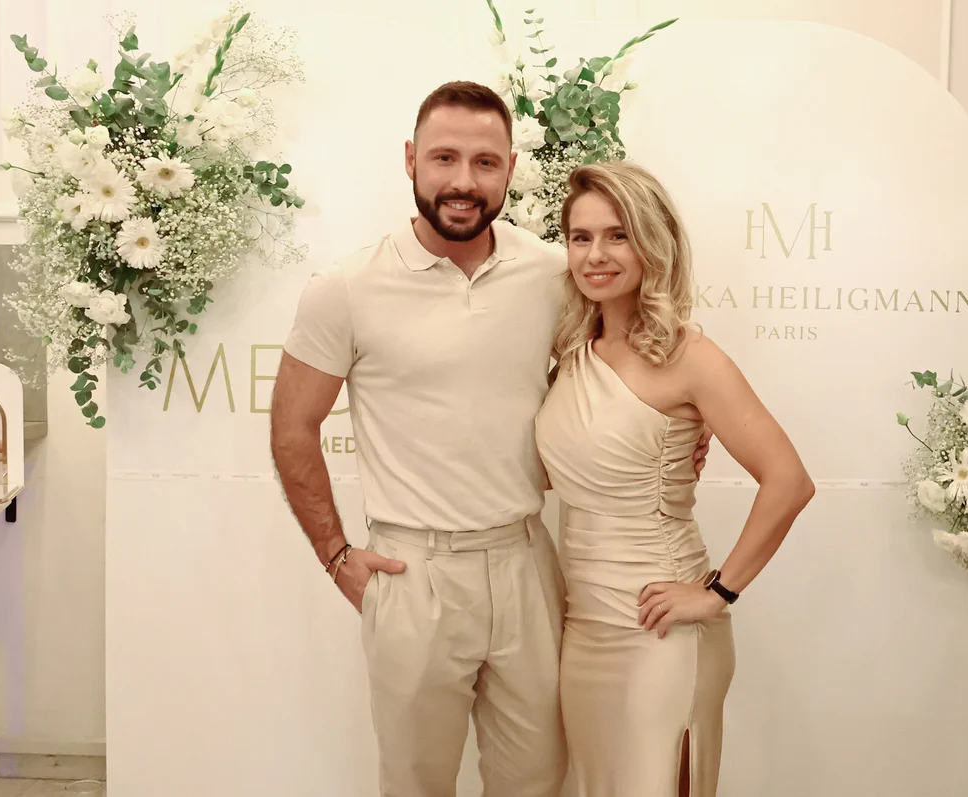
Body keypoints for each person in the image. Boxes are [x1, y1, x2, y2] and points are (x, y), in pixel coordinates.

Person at [271, 81, 708, 797]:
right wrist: (335, 554)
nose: (463, 181)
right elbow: (292, 426)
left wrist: (691, 421)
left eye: (485, 162)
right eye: (444, 158)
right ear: (410, 159)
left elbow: (632, 353)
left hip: (526, 561)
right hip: (413, 569)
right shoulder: (345, 288)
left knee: (538, 780)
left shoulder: (553, 272)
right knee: (416, 783)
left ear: (510, 169)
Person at [535, 161, 815, 797]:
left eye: (618, 235)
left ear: (652, 243)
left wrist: (717, 593)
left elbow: (789, 480)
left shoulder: (691, 357)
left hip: (661, 631)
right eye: (581, 238)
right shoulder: (573, 354)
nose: (596, 255)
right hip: (584, 628)